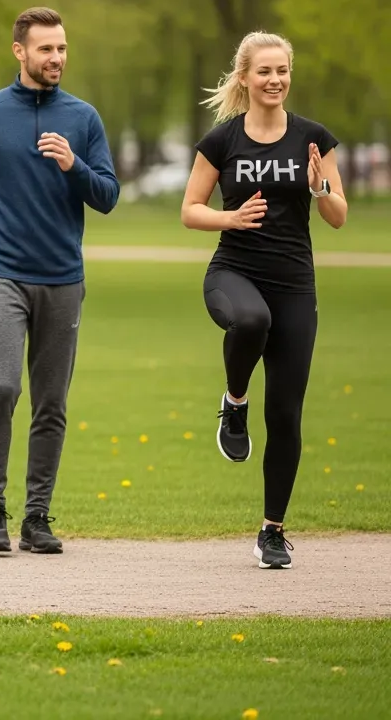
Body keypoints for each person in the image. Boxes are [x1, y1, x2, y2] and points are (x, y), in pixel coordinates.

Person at [0, 7, 119, 555]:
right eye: (45, 49)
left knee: (51, 402)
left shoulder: (84, 119)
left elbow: (107, 195)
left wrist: (73, 166)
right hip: (0, 274)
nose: (56, 58)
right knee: (3, 387)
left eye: (61, 49)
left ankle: (37, 518)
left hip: (63, 279)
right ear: (20, 52)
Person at [180, 31, 347, 570]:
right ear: (245, 78)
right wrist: (230, 217)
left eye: (283, 71)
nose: (275, 80)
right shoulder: (223, 141)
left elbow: (338, 215)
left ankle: (272, 531)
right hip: (234, 273)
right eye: (265, 72)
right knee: (251, 320)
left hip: (295, 284)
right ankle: (233, 403)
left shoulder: (313, 139)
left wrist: (321, 189)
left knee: (287, 415)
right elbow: (190, 209)